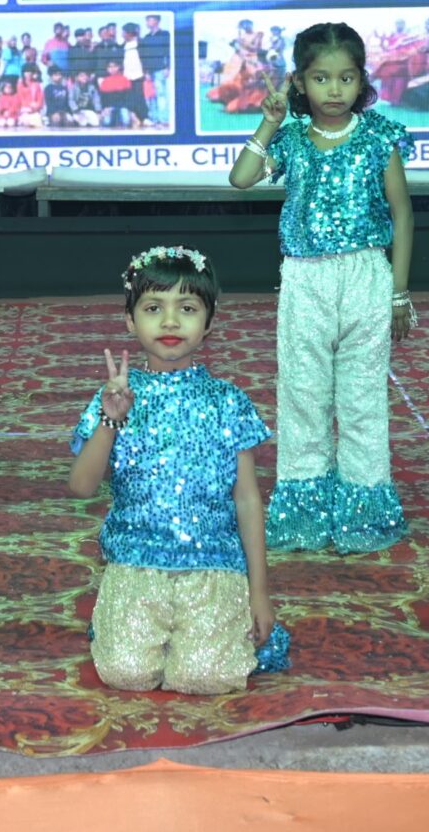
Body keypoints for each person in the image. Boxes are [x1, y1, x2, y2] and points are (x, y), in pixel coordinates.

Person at [227, 21, 414, 554]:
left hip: (366, 275)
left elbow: (402, 214)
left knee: (362, 397)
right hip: (305, 278)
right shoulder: (290, 139)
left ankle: (363, 510)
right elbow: (240, 178)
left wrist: (399, 292)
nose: (335, 90)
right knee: (303, 393)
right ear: (300, 82)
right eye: (321, 78)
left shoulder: (379, 137)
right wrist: (268, 123)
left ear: (362, 81)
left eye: (346, 78)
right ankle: (303, 510)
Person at [66, 247, 286, 694]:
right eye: (153, 309)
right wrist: (110, 420)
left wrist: (259, 592)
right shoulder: (115, 397)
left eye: (187, 309)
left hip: (213, 567)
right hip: (134, 564)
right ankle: (123, 622)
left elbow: (247, 500)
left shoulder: (227, 400)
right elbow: (81, 486)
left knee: (204, 677)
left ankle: (207, 626)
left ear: (209, 321)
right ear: (130, 321)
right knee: (125, 673)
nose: (170, 322)